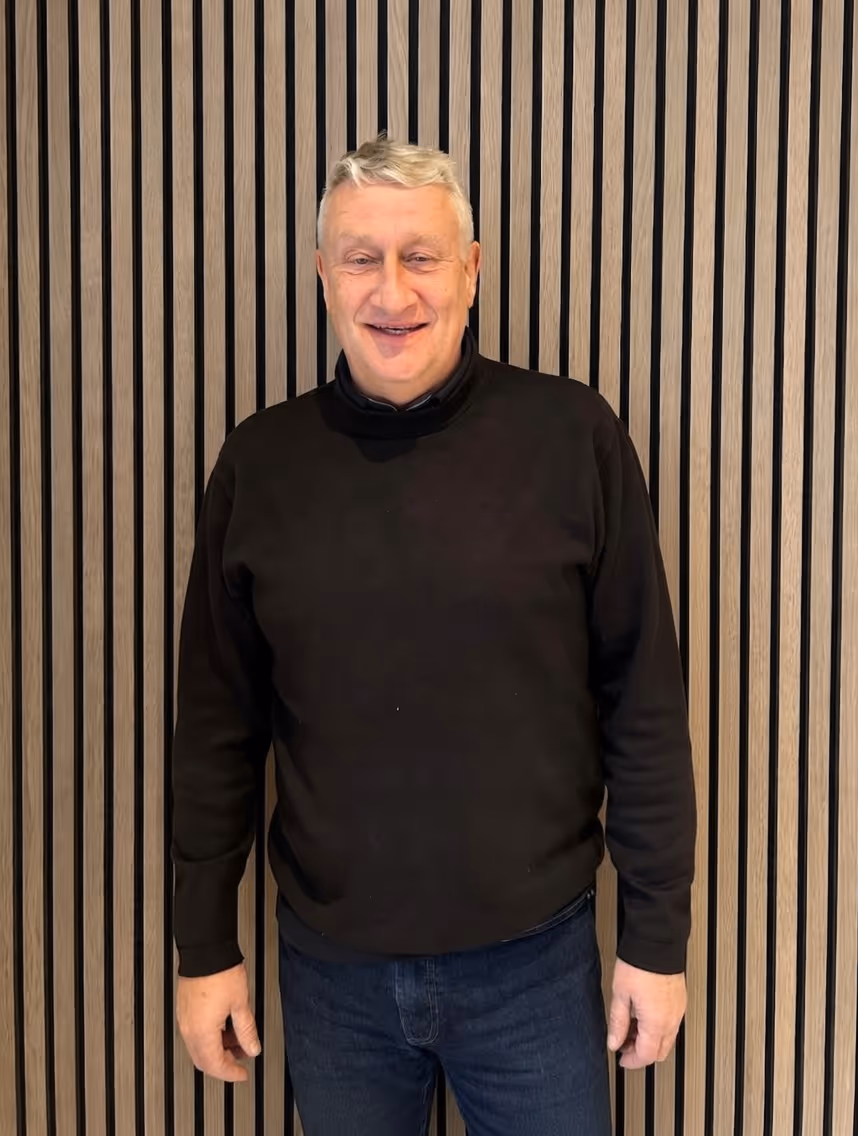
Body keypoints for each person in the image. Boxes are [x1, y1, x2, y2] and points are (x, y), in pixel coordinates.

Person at [172, 135, 696, 1136]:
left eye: (421, 254)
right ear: (323, 275)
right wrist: (204, 946)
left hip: (535, 964)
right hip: (332, 975)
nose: (393, 289)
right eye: (362, 257)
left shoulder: (573, 437)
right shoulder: (261, 463)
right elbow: (212, 731)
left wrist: (655, 936)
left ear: (473, 267)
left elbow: (645, 701)